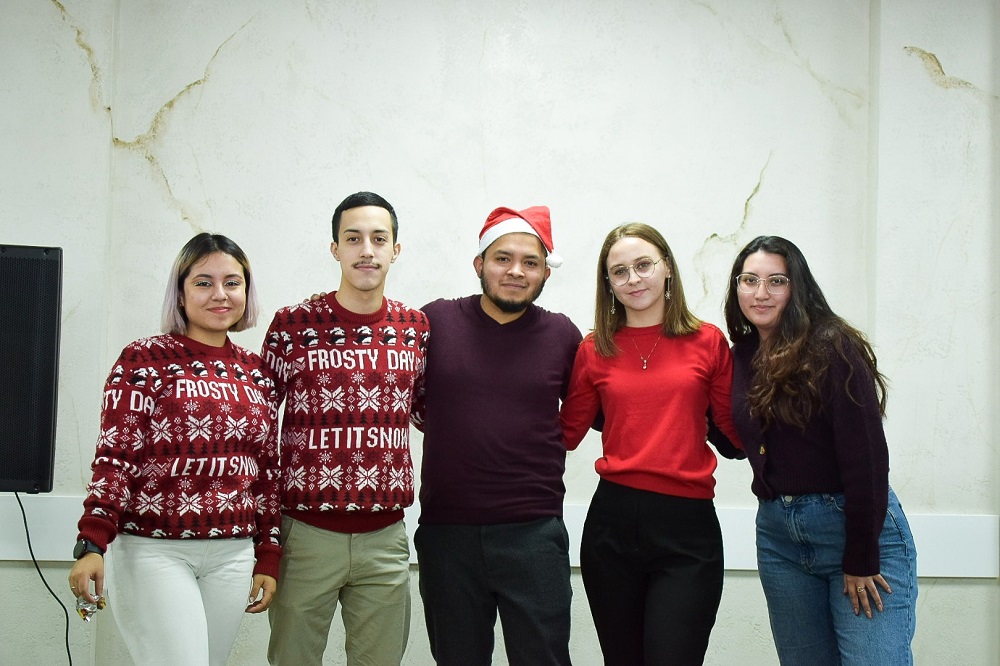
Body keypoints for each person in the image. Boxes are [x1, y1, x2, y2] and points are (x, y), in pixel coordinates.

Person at [68, 233, 281, 666]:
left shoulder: (256, 372)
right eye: (203, 282)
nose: (220, 294)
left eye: (232, 283)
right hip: (154, 550)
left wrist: (268, 554)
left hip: (233, 553)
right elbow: (116, 456)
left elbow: (265, 472)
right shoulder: (143, 360)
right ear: (180, 294)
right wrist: (92, 543)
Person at [724, 235, 917, 665]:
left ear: (797, 287)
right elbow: (739, 442)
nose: (760, 293)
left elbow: (867, 459)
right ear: (736, 287)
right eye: (749, 280)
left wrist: (861, 557)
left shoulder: (832, 346)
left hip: (853, 528)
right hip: (779, 538)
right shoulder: (742, 357)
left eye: (776, 281)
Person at [560, 222, 745, 665]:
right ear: (608, 284)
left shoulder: (708, 341)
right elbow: (564, 433)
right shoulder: (594, 349)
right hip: (611, 527)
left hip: (688, 531)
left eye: (643, 265)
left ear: (667, 268)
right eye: (619, 271)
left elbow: (735, 430)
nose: (633, 279)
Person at [263, 191, 429, 666]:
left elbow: (430, 413)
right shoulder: (293, 326)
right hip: (305, 535)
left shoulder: (415, 328)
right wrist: (264, 535)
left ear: (396, 249)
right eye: (353, 239)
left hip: (385, 537)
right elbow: (258, 424)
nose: (366, 250)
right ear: (335, 248)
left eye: (379, 239)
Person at [410, 205, 581, 665]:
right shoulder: (435, 322)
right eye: (503, 258)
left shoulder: (562, 334)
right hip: (447, 534)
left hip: (534, 533)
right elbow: (402, 393)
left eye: (530, 262)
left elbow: (593, 409)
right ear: (479, 264)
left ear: (545, 273)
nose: (516, 271)